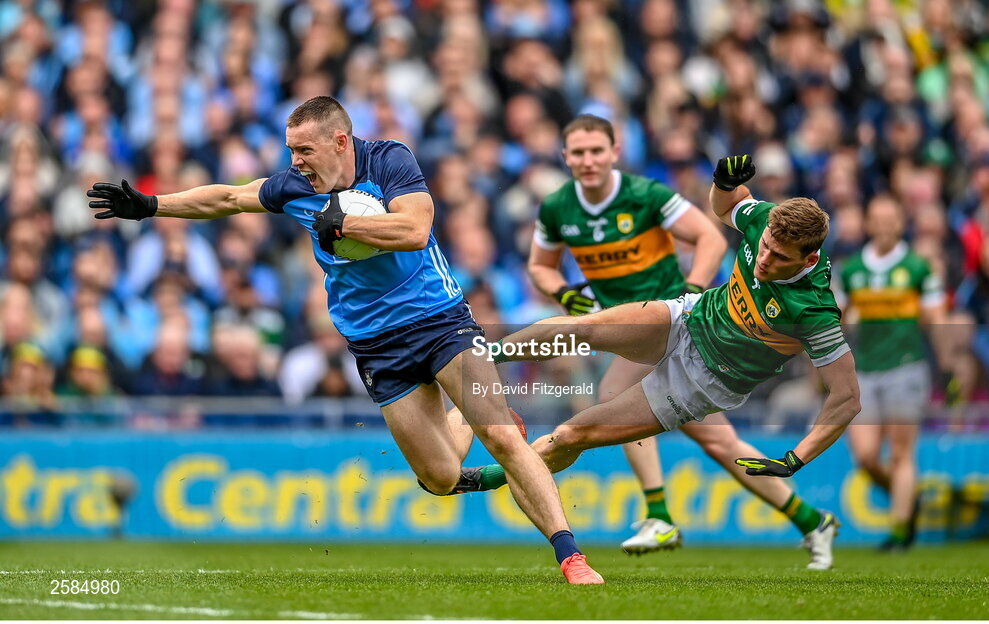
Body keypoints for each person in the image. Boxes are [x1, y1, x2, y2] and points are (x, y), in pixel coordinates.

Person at [87, 95, 603, 584]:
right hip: (376, 343)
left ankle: (570, 556)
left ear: (340, 141)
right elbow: (227, 197)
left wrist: (347, 221)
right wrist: (151, 205)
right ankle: (465, 429)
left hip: (439, 319)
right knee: (441, 479)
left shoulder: (389, 161)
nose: (295, 161)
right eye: (291, 150)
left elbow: (416, 230)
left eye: (303, 149)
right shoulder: (293, 186)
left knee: (502, 437)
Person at [441, 154, 861, 571]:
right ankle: (473, 356)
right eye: (764, 247)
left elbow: (846, 398)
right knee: (581, 329)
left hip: (704, 380)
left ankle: (489, 479)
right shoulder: (765, 220)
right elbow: (726, 207)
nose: (763, 261)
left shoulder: (815, 310)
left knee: (572, 433)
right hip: (690, 318)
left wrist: (796, 458)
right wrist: (722, 182)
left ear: (807, 260)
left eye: (779, 259)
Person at [526, 115, 839, 564]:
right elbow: (540, 266)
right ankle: (812, 520)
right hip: (620, 327)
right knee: (721, 444)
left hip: (665, 325)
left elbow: (709, 236)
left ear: (615, 152)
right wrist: (562, 292)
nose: (588, 160)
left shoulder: (647, 195)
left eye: (597, 150)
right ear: (564, 157)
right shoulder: (557, 207)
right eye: (578, 152)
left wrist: (692, 288)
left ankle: (659, 514)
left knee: (612, 395)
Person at [835, 195, 948, 551]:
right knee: (866, 457)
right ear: (868, 223)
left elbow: (936, 316)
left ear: (901, 223)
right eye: (877, 218)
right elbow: (835, 314)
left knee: (901, 453)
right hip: (865, 370)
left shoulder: (917, 268)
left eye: (891, 218)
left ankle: (900, 529)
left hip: (905, 366)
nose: (884, 225)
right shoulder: (852, 270)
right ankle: (907, 500)